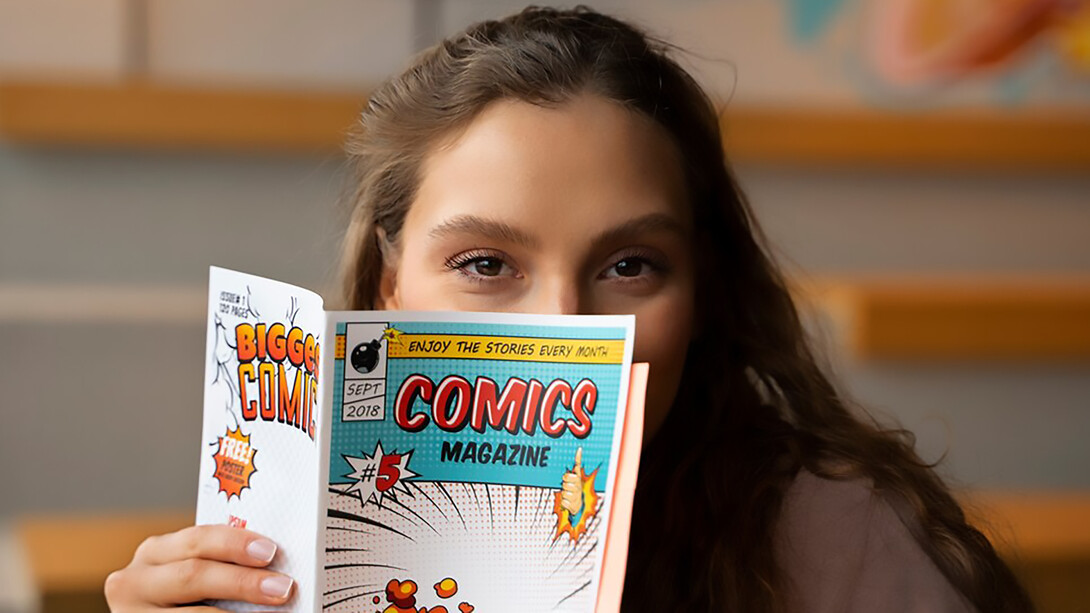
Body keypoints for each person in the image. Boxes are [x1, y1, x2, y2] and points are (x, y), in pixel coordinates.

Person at [105, 7, 1033, 612]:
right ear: (391, 287)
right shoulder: (287, 558)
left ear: (703, 292)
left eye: (630, 264)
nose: (565, 324)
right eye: (484, 262)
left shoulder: (844, 544)